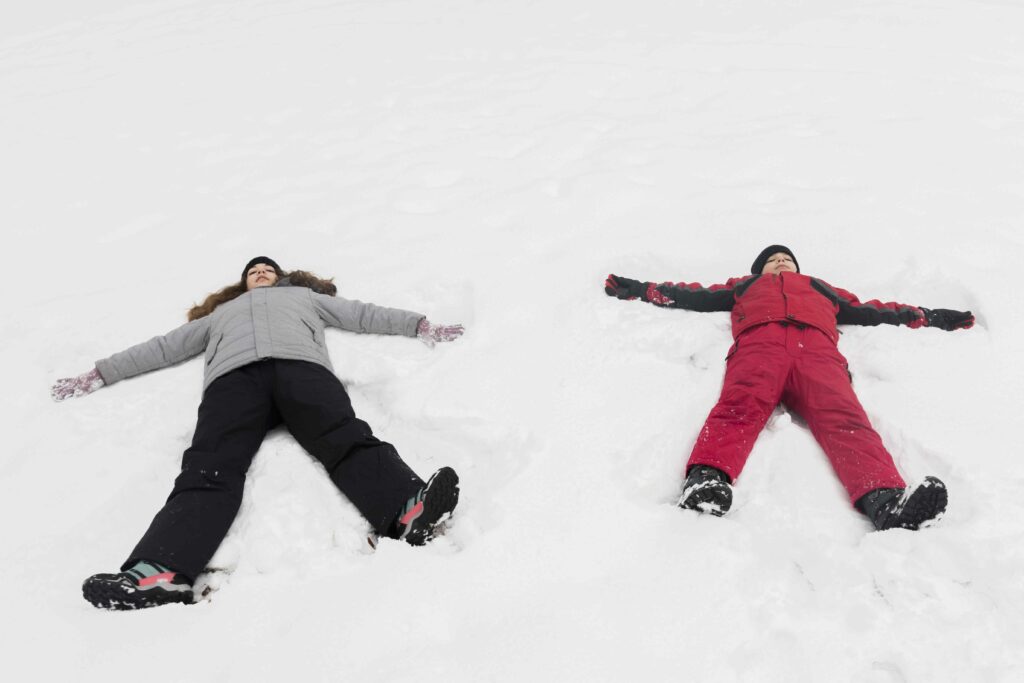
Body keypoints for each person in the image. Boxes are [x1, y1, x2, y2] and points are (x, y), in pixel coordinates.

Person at [52, 257, 466, 610]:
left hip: (300, 372)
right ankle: (158, 572)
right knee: (209, 468)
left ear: (281, 277)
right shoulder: (221, 315)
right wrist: (99, 372)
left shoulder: (303, 298)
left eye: (269, 269)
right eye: (255, 271)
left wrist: (420, 325)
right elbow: (163, 346)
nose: (262, 273)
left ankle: (408, 512)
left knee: (345, 437)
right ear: (244, 282)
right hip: (234, 384)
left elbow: (360, 313)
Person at [605, 245, 974, 531]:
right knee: (739, 408)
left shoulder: (821, 289)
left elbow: (876, 310)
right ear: (760, 270)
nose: (781, 263)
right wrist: (640, 290)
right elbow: (692, 295)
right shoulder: (744, 287)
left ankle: (887, 502)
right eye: (773, 260)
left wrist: (931, 316)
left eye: (786, 259)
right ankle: (705, 482)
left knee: (846, 420)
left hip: (817, 354)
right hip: (759, 348)